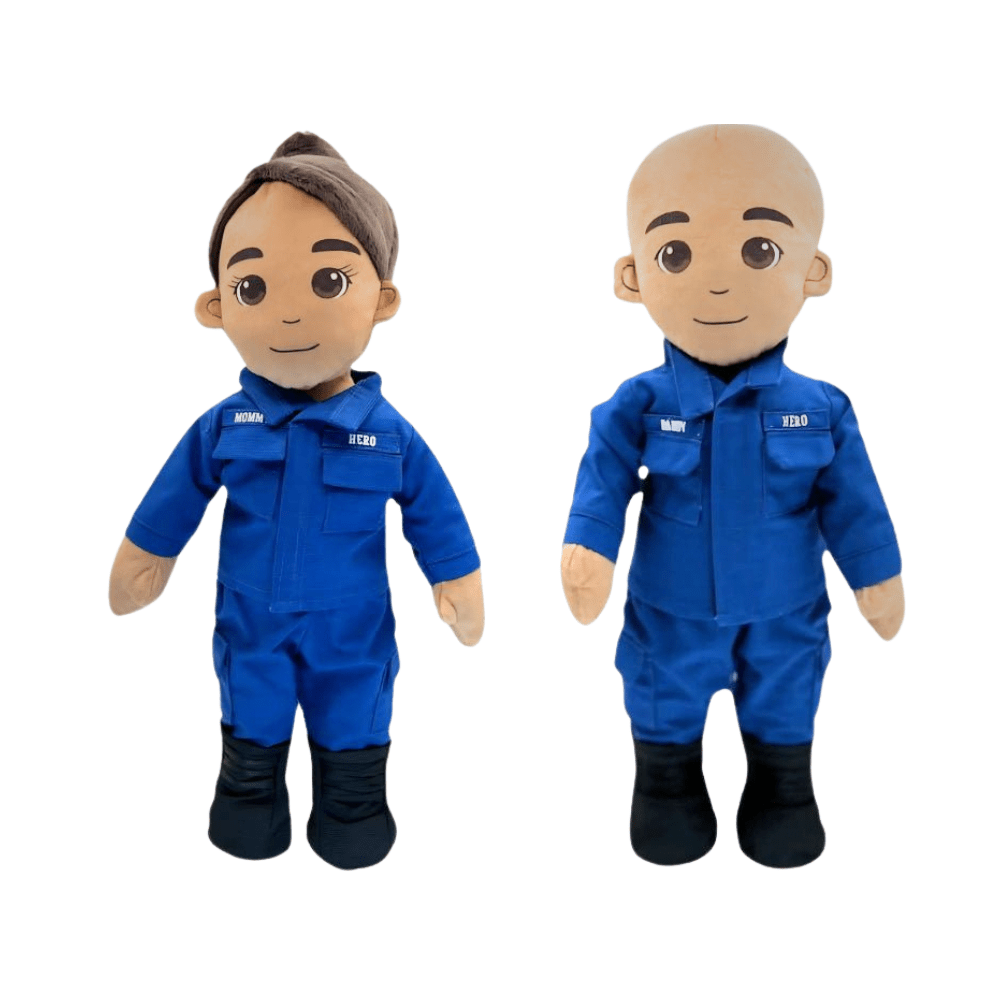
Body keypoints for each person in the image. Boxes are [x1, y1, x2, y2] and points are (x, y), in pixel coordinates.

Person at [110, 132, 484, 869]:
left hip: (354, 634)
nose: (287, 314)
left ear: (381, 299)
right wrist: (145, 557)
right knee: (251, 722)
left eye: (329, 281)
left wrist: (456, 579)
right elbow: (174, 498)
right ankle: (249, 808)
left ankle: (353, 813)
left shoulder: (387, 432)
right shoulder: (227, 426)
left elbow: (433, 511)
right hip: (250, 626)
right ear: (217, 306)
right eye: (252, 289)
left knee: (355, 728)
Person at [562, 124, 903, 868]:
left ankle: (785, 790)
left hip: (786, 615)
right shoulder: (639, 403)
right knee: (662, 704)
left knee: (787, 703)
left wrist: (877, 576)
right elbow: (603, 478)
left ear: (813, 270)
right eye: (675, 255)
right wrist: (588, 548)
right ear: (633, 277)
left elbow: (855, 504)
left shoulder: (821, 408)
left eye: (760, 251)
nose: (717, 282)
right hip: (669, 614)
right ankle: (666, 787)